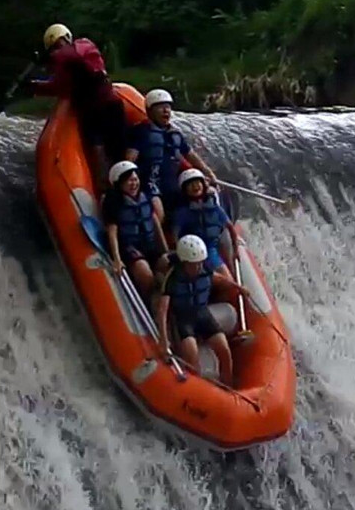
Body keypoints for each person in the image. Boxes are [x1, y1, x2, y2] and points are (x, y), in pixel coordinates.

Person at [29, 23, 125, 187]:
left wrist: (39, 82)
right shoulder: (75, 54)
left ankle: (114, 185)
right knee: (107, 150)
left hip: (101, 109)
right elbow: (63, 84)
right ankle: (114, 185)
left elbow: (66, 75)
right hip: (102, 108)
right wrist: (37, 85)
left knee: (107, 149)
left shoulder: (72, 51)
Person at [157, 235, 247, 386]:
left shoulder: (204, 270)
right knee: (191, 354)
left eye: (200, 263)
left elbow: (220, 278)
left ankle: (228, 384)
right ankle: (197, 385)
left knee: (224, 349)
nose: (198, 267)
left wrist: (239, 288)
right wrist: (164, 339)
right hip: (183, 319)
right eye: (194, 264)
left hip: (202, 314)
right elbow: (162, 310)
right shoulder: (173, 279)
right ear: (184, 263)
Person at [126, 89, 217, 225]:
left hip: (172, 184)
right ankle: (156, 243)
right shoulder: (141, 132)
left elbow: (191, 156)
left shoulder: (175, 134)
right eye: (161, 107)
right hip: (150, 184)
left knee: (202, 201)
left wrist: (209, 174)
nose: (166, 111)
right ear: (150, 111)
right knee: (159, 213)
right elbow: (130, 160)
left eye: (168, 107)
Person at [102, 160, 171, 295]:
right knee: (144, 273)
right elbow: (112, 230)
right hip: (129, 247)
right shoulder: (114, 202)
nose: (134, 184)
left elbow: (154, 221)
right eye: (129, 181)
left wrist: (165, 250)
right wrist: (117, 259)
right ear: (119, 183)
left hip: (149, 244)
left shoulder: (144, 196)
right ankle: (148, 300)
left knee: (168, 266)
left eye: (135, 179)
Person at [173, 168, 240, 278]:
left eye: (197, 183)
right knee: (226, 277)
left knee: (229, 267)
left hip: (212, 247)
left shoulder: (214, 207)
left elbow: (229, 226)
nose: (195, 187)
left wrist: (236, 249)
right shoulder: (183, 213)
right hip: (197, 251)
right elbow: (175, 234)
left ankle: (231, 272)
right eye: (191, 185)